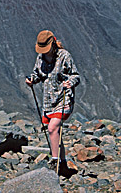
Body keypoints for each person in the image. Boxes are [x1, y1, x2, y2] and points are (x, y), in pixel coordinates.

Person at [25, 30, 80, 173]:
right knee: (55, 132)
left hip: (63, 99)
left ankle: (54, 161)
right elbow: (37, 74)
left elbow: (75, 75)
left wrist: (70, 82)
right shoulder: (40, 58)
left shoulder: (64, 56)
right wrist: (31, 80)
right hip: (48, 102)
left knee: (52, 128)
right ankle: (62, 163)